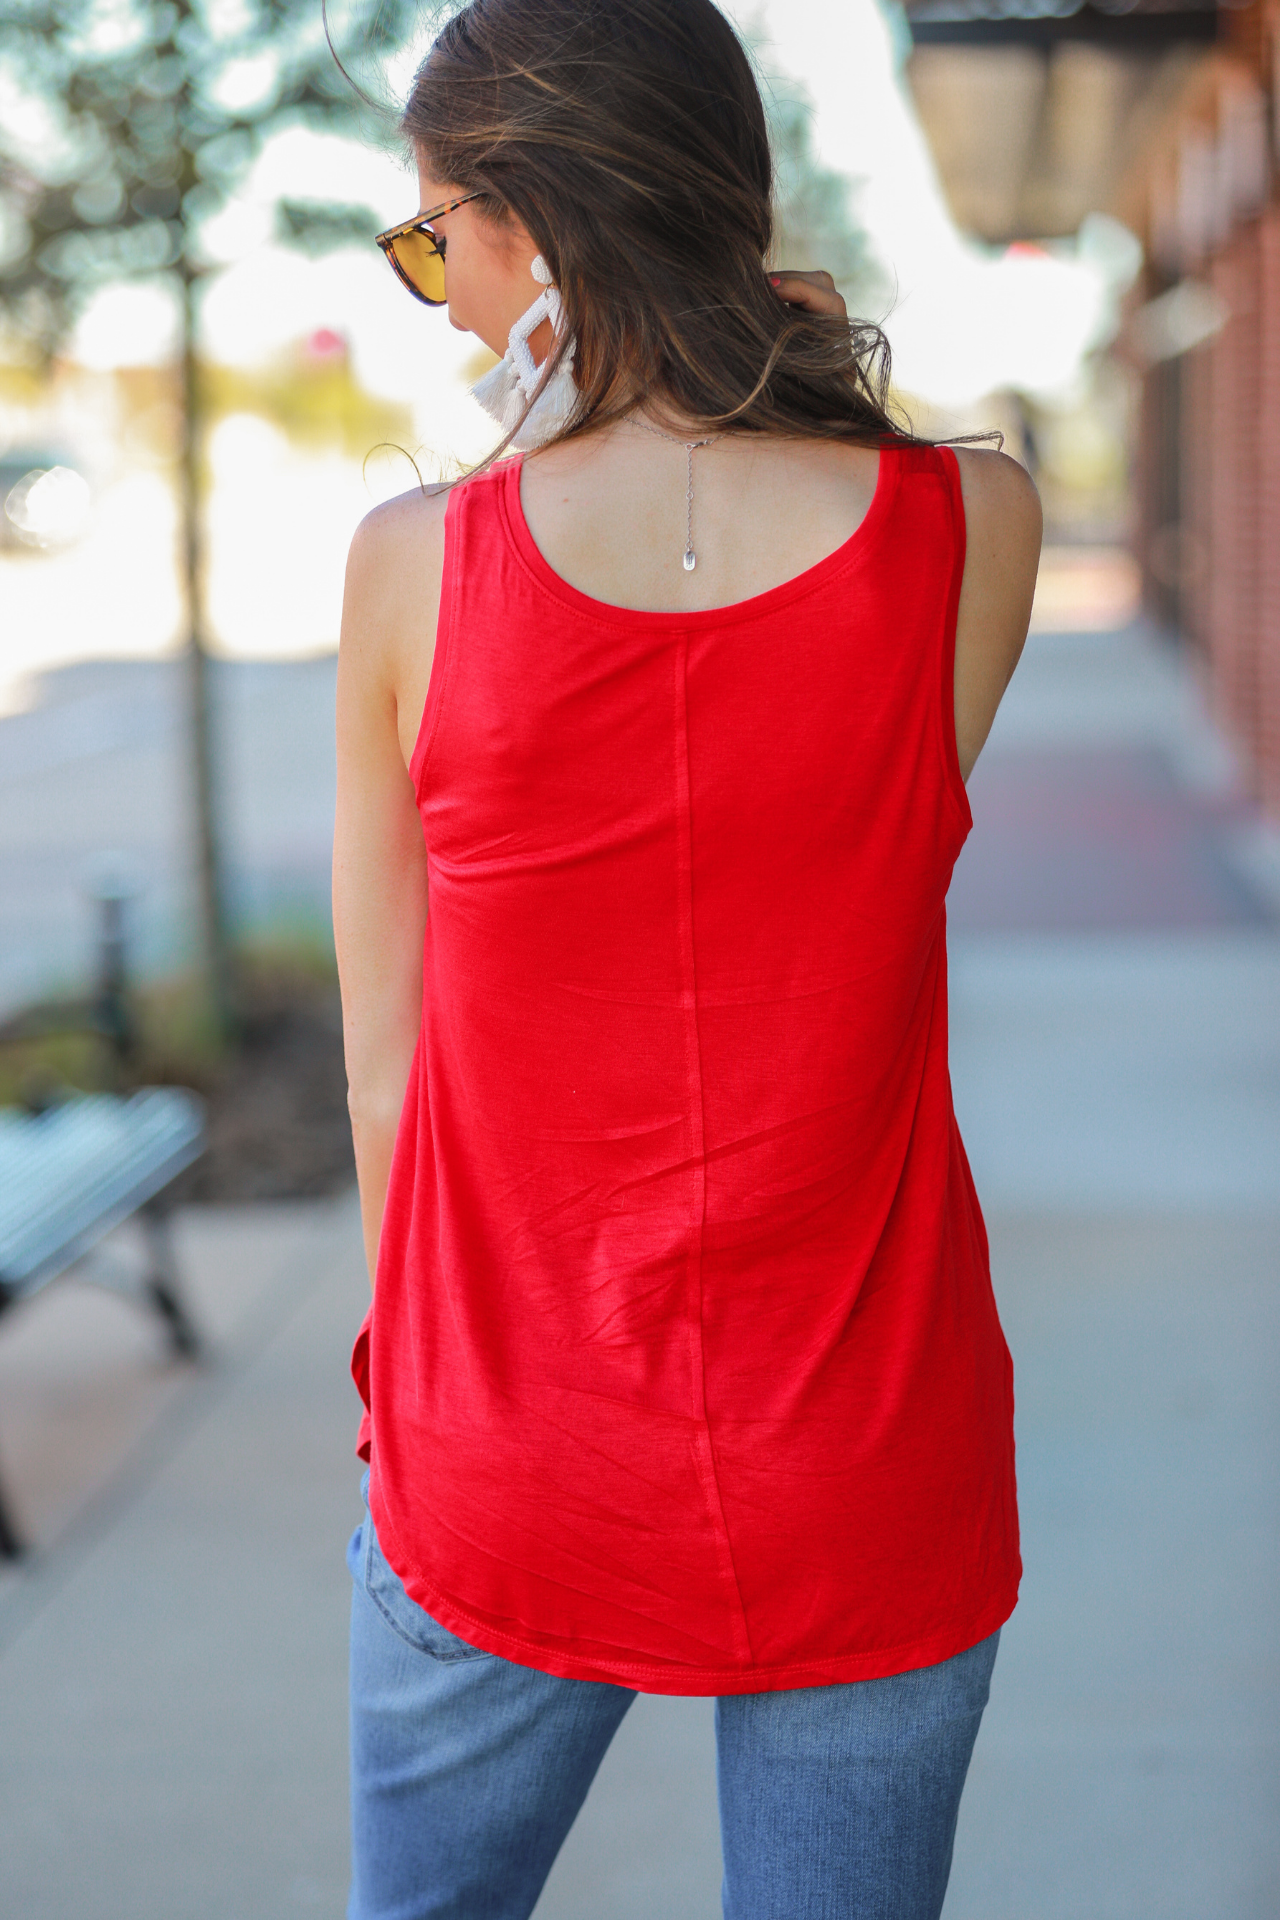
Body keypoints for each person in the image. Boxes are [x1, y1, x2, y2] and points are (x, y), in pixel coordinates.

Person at [332, 1, 1041, 1914]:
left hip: (503, 1433)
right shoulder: (970, 531)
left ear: (528, 226)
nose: (437, 304)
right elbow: (827, 859)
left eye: (433, 244)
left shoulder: (415, 567)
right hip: (870, 1448)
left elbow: (386, 1067)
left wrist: (406, 1414)